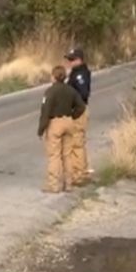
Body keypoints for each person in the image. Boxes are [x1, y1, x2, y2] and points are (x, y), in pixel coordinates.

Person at [38, 65, 87, 193]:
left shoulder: (50, 92)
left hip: (55, 123)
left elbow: (45, 111)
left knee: (54, 155)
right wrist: (72, 115)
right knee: (67, 155)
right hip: (68, 122)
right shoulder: (71, 90)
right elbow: (81, 106)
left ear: (54, 77)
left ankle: (54, 185)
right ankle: (68, 184)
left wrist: (41, 129)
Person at [64, 47, 92, 187]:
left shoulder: (80, 75)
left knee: (77, 143)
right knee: (77, 141)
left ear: (79, 59)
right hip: (76, 111)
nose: (69, 62)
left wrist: (74, 107)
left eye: (72, 59)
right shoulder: (75, 73)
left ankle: (79, 174)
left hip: (78, 111)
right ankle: (81, 171)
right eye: (69, 59)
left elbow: (83, 94)